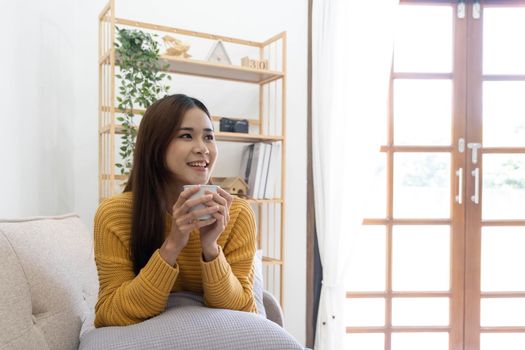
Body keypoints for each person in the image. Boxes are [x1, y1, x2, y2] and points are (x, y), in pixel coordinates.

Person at [93, 94, 257, 327]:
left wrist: (210, 249)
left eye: (209, 137)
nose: (203, 149)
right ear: (156, 145)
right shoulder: (114, 214)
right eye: (186, 136)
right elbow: (110, 314)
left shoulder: (237, 213)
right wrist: (172, 245)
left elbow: (243, 311)